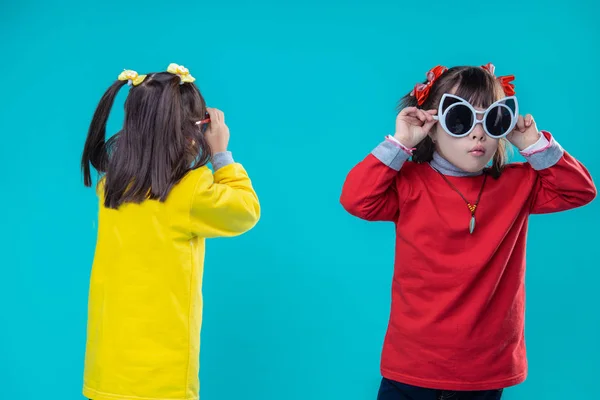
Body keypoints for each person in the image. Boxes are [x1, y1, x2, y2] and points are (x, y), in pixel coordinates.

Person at [340, 63, 596, 400]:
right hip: (413, 364)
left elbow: (579, 190)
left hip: (485, 370)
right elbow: (357, 199)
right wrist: (400, 143)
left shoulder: (519, 184)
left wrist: (532, 143)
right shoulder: (409, 185)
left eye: (493, 120)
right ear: (431, 126)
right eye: (460, 120)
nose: (478, 134)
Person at [80, 63, 260, 400]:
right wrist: (221, 154)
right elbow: (245, 211)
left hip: (107, 370)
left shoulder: (110, 189)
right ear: (194, 130)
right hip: (162, 376)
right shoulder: (191, 190)